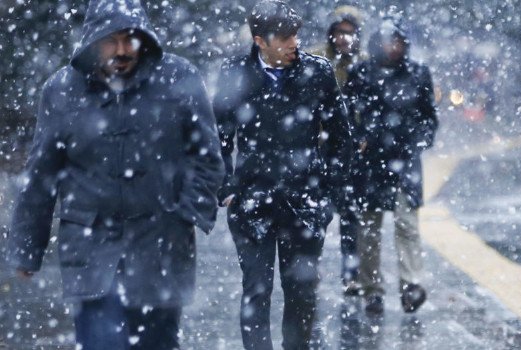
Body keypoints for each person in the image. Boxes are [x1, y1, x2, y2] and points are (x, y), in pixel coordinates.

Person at [6, 0, 224, 349]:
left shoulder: (178, 78)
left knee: (156, 343)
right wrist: (26, 248)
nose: (122, 50)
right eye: (111, 39)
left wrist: (186, 213)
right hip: (91, 250)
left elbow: (207, 157)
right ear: (93, 40)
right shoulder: (62, 89)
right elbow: (42, 174)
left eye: (129, 38)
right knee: (101, 342)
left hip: (161, 248)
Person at [213, 1, 351, 349]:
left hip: (304, 200)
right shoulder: (236, 73)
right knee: (256, 290)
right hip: (252, 201)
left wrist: (329, 193)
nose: (295, 43)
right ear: (260, 40)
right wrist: (225, 186)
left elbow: (340, 138)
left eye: (296, 35)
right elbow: (219, 138)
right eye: (285, 37)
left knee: (301, 294)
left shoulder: (317, 72)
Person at [345, 16, 439, 314]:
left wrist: (418, 143)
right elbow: (347, 114)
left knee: (407, 225)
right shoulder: (361, 73)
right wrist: (358, 140)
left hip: (405, 160)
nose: (392, 47)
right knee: (369, 228)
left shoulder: (418, 73)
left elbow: (428, 118)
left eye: (397, 42)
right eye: (388, 41)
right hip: (370, 161)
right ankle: (372, 289)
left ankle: (411, 286)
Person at [310, 5, 368, 295]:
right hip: (320, 148)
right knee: (317, 212)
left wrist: (362, 136)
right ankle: (311, 269)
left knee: (350, 214)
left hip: (351, 150)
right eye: (339, 32)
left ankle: (351, 274)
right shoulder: (316, 59)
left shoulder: (365, 64)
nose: (344, 38)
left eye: (350, 32)